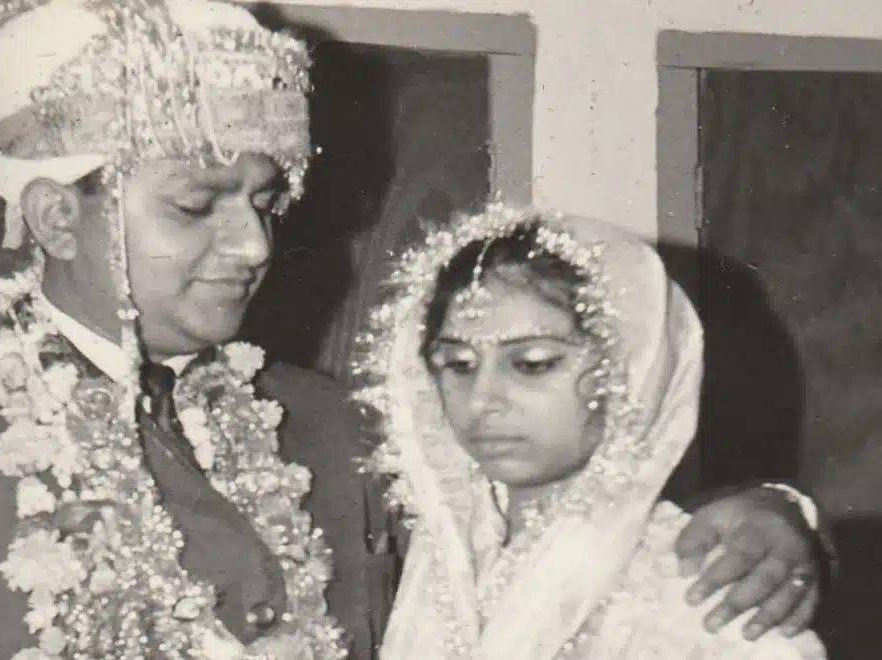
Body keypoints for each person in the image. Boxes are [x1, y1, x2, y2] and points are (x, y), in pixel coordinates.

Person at [0, 1, 825, 658]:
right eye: (196, 205)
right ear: (54, 218)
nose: (253, 242)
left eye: (262, 200)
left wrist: (768, 515)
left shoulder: (339, 424)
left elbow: (547, 536)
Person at [355, 203, 828, 659]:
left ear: (628, 369)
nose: (483, 400)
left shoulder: (697, 580)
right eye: (457, 365)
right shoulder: (441, 555)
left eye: (532, 364)